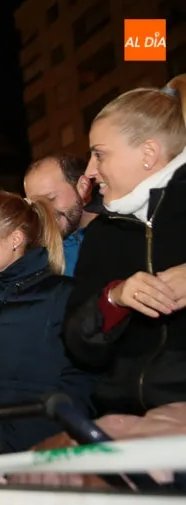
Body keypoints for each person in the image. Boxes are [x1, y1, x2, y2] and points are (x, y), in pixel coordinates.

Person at [65, 76, 186, 416]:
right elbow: (78, 346)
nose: (90, 171)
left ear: (148, 154)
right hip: (125, 418)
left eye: (99, 154)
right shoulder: (102, 234)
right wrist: (113, 300)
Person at [0, 192, 94, 453]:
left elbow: (82, 378)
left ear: (15, 239)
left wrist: (57, 435)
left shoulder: (64, 295)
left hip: (43, 453)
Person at [24, 154, 99, 276]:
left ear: (83, 186)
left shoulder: (120, 232)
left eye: (51, 199)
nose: (45, 212)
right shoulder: (39, 256)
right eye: (37, 206)